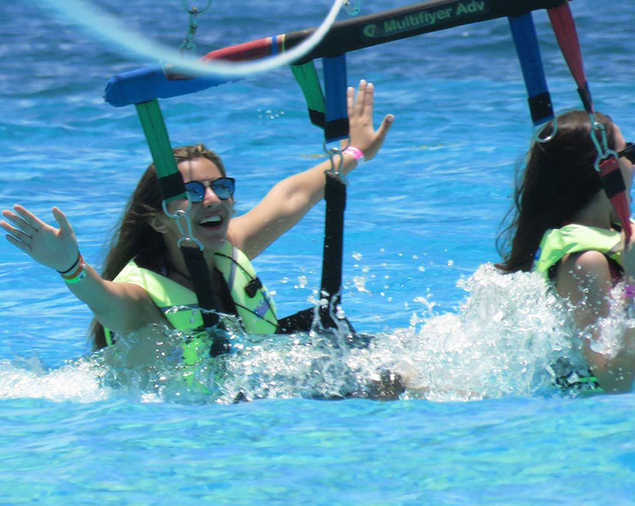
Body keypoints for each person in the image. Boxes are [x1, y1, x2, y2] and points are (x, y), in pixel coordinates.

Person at [1, 80, 394, 370]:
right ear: (157, 219)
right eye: (192, 192)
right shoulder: (141, 298)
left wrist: (354, 153)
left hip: (250, 392)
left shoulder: (229, 245)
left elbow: (293, 195)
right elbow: (100, 297)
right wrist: (68, 266)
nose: (212, 199)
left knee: (383, 361)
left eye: (220, 186)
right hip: (179, 421)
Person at [495, 110, 635, 394]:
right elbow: (614, 382)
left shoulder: (617, 231)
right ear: (606, 168)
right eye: (630, 153)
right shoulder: (585, 261)